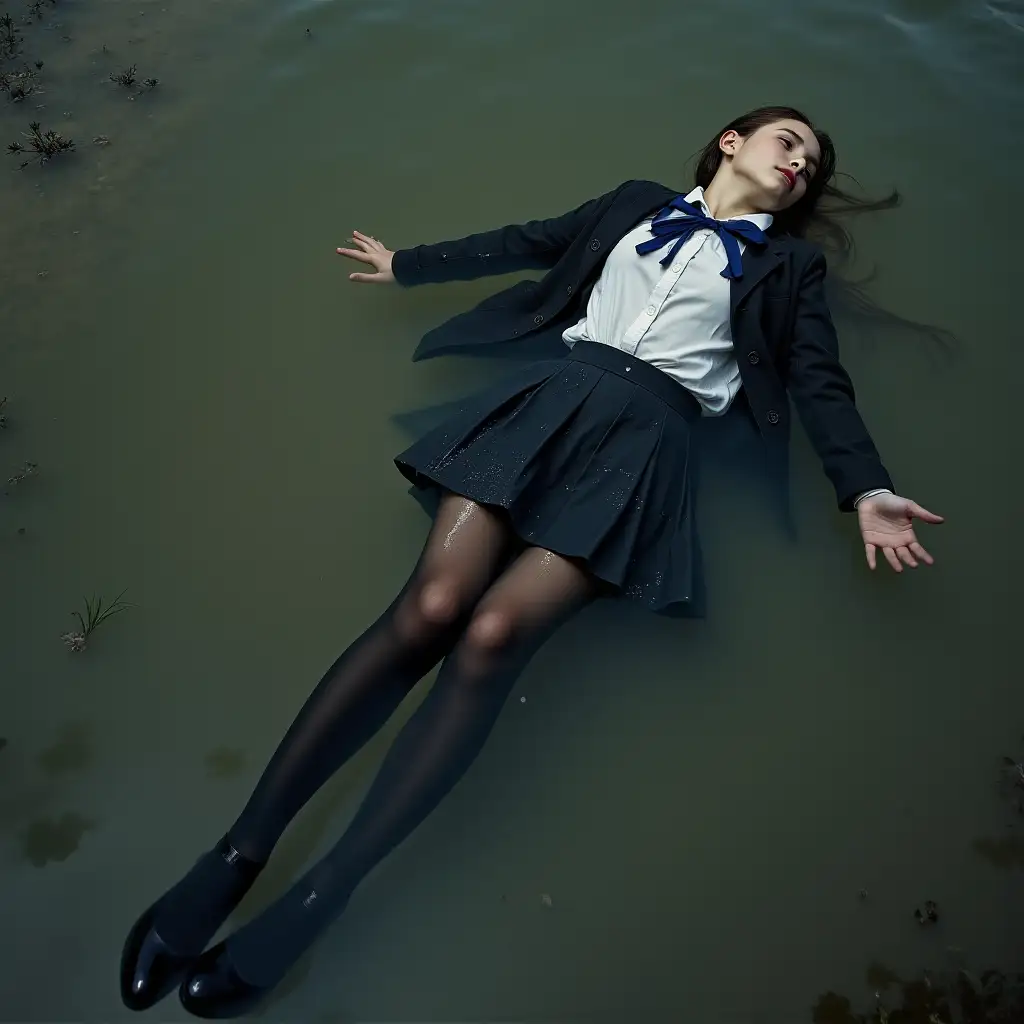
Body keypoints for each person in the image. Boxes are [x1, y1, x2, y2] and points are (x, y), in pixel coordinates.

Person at [120, 105, 944, 1018]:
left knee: (493, 636)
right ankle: (237, 853)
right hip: (551, 401)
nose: (801, 164)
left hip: (650, 446)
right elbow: (528, 239)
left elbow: (820, 381)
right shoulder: (636, 203)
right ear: (731, 142)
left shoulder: (790, 265)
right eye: (789, 142)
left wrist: (865, 492)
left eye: (814, 164)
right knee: (432, 606)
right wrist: (408, 266)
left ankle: (325, 892)